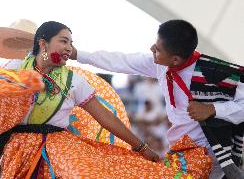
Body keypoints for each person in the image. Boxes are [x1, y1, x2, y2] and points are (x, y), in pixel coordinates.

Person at [71, 19, 244, 179]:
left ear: (175, 59)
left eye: (158, 49)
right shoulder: (161, 63)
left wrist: (212, 109)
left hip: (209, 154)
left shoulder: (215, 72)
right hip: (179, 150)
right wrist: (78, 55)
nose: (152, 48)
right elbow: (122, 61)